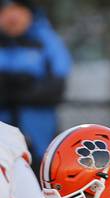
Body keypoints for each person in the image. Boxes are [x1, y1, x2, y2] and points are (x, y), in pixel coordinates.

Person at [0, 0, 71, 169]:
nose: (12, 16)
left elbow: (56, 88)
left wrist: (12, 91)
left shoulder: (47, 41)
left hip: (40, 136)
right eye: (6, 10)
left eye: (18, 9)